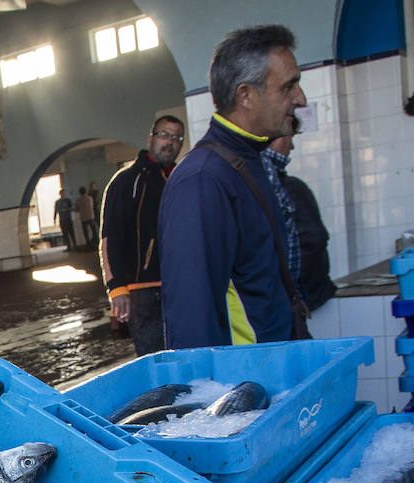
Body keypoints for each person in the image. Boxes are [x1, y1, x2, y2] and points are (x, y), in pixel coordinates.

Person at [159, 25, 309, 349]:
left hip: (274, 377)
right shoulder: (202, 180)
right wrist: (224, 399)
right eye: (289, 86)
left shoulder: (247, 160)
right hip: (249, 389)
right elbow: (191, 325)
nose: (300, 98)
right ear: (245, 96)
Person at [99, 115, 185, 355]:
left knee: (186, 357)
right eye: (164, 135)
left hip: (181, 287)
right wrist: (116, 288)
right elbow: (109, 239)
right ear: (151, 138)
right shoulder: (126, 181)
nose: (170, 142)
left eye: (177, 138)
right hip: (143, 294)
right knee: (156, 363)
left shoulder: (182, 180)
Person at [268, 131, 337, 310]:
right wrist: (297, 295)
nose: (292, 147)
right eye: (289, 137)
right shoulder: (290, 187)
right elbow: (313, 238)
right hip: (297, 301)